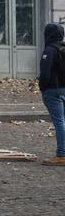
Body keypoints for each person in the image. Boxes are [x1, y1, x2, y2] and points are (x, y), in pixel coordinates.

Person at [38, 23, 65, 166]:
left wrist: (42, 87)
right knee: (63, 121)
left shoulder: (49, 50)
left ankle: (62, 154)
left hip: (53, 91)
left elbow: (45, 73)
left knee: (59, 122)